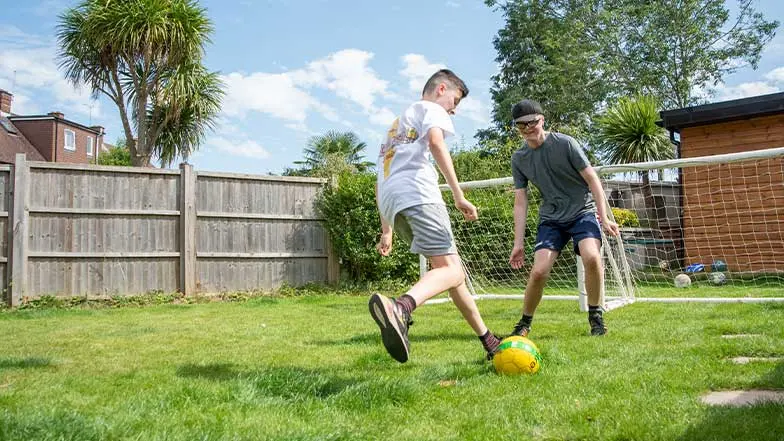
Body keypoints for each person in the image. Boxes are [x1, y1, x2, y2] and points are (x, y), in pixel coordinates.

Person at [369, 69, 501, 363]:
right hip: (420, 197)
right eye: (455, 101)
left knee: (449, 274)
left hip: (395, 203)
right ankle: (400, 308)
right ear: (442, 89)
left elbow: (380, 179)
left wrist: (386, 228)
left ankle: (488, 340)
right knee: (454, 272)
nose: (454, 110)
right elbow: (437, 143)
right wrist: (458, 194)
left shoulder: (394, 127)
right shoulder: (430, 108)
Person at [508, 99, 620, 337]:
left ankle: (596, 316)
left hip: (582, 212)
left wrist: (605, 217)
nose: (528, 128)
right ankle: (524, 323)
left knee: (591, 257)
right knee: (539, 271)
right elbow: (520, 200)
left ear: (542, 120)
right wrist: (518, 243)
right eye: (521, 125)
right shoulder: (519, 158)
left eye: (532, 122)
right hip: (551, 219)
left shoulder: (566, 144)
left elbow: (593, 180)